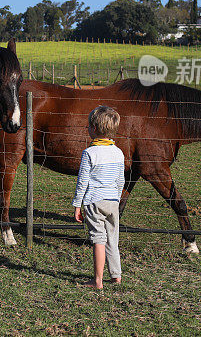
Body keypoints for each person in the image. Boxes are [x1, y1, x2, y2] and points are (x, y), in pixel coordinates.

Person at [72, 105, 125, 289]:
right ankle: (116, 275)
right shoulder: (118, 153)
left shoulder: (89, 153)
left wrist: (78, 205)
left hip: (94, 201)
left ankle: (97, 280)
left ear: (94, 129)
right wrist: (116, 199)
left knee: (98, 240)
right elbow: (121, 180)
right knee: (113, 238)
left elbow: (83, 182)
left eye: (88, 126)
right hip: (112, 201)